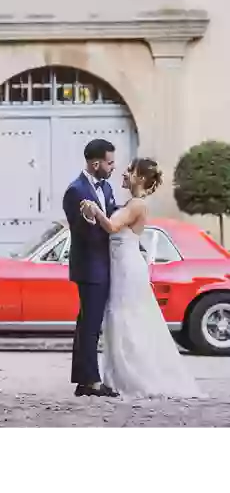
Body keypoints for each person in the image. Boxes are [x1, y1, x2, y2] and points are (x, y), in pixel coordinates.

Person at [80, 158, 201, 399]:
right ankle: (118, 376)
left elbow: (113, 227)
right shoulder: (130, 203)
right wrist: (90, 213)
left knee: (126, 317)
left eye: (129, 171)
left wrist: (94, 209)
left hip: (127, 267)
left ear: (141, 178)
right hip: (120, 265)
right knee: (118, 317)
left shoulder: (137, 205)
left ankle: (133, 377)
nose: (123, 174)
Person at [62, 138, 119, 398]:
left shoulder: (106, 187)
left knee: (87, 324)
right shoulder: (75, 191)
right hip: (90, 268)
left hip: (104, 265)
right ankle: (91, 382)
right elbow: (84, 232)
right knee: (91, 325)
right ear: (95, 163)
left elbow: (113, 214)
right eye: (110, 162)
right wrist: (98, 221)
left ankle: (84, 381)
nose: (113, 167)